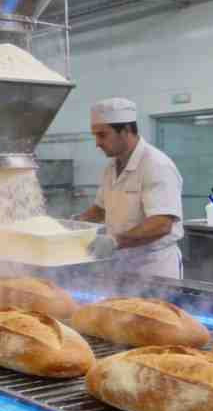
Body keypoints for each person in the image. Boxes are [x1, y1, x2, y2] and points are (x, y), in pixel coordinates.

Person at [76, 98, 185, 279]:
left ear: (126, 131)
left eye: (102, 135)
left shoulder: (156, 165)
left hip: (153, 268)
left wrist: (114, 241)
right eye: (95, 136)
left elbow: (162, 223)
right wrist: (72, 225)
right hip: (119, 264)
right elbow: (101, 209)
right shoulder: (111, 168)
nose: (97, 143)